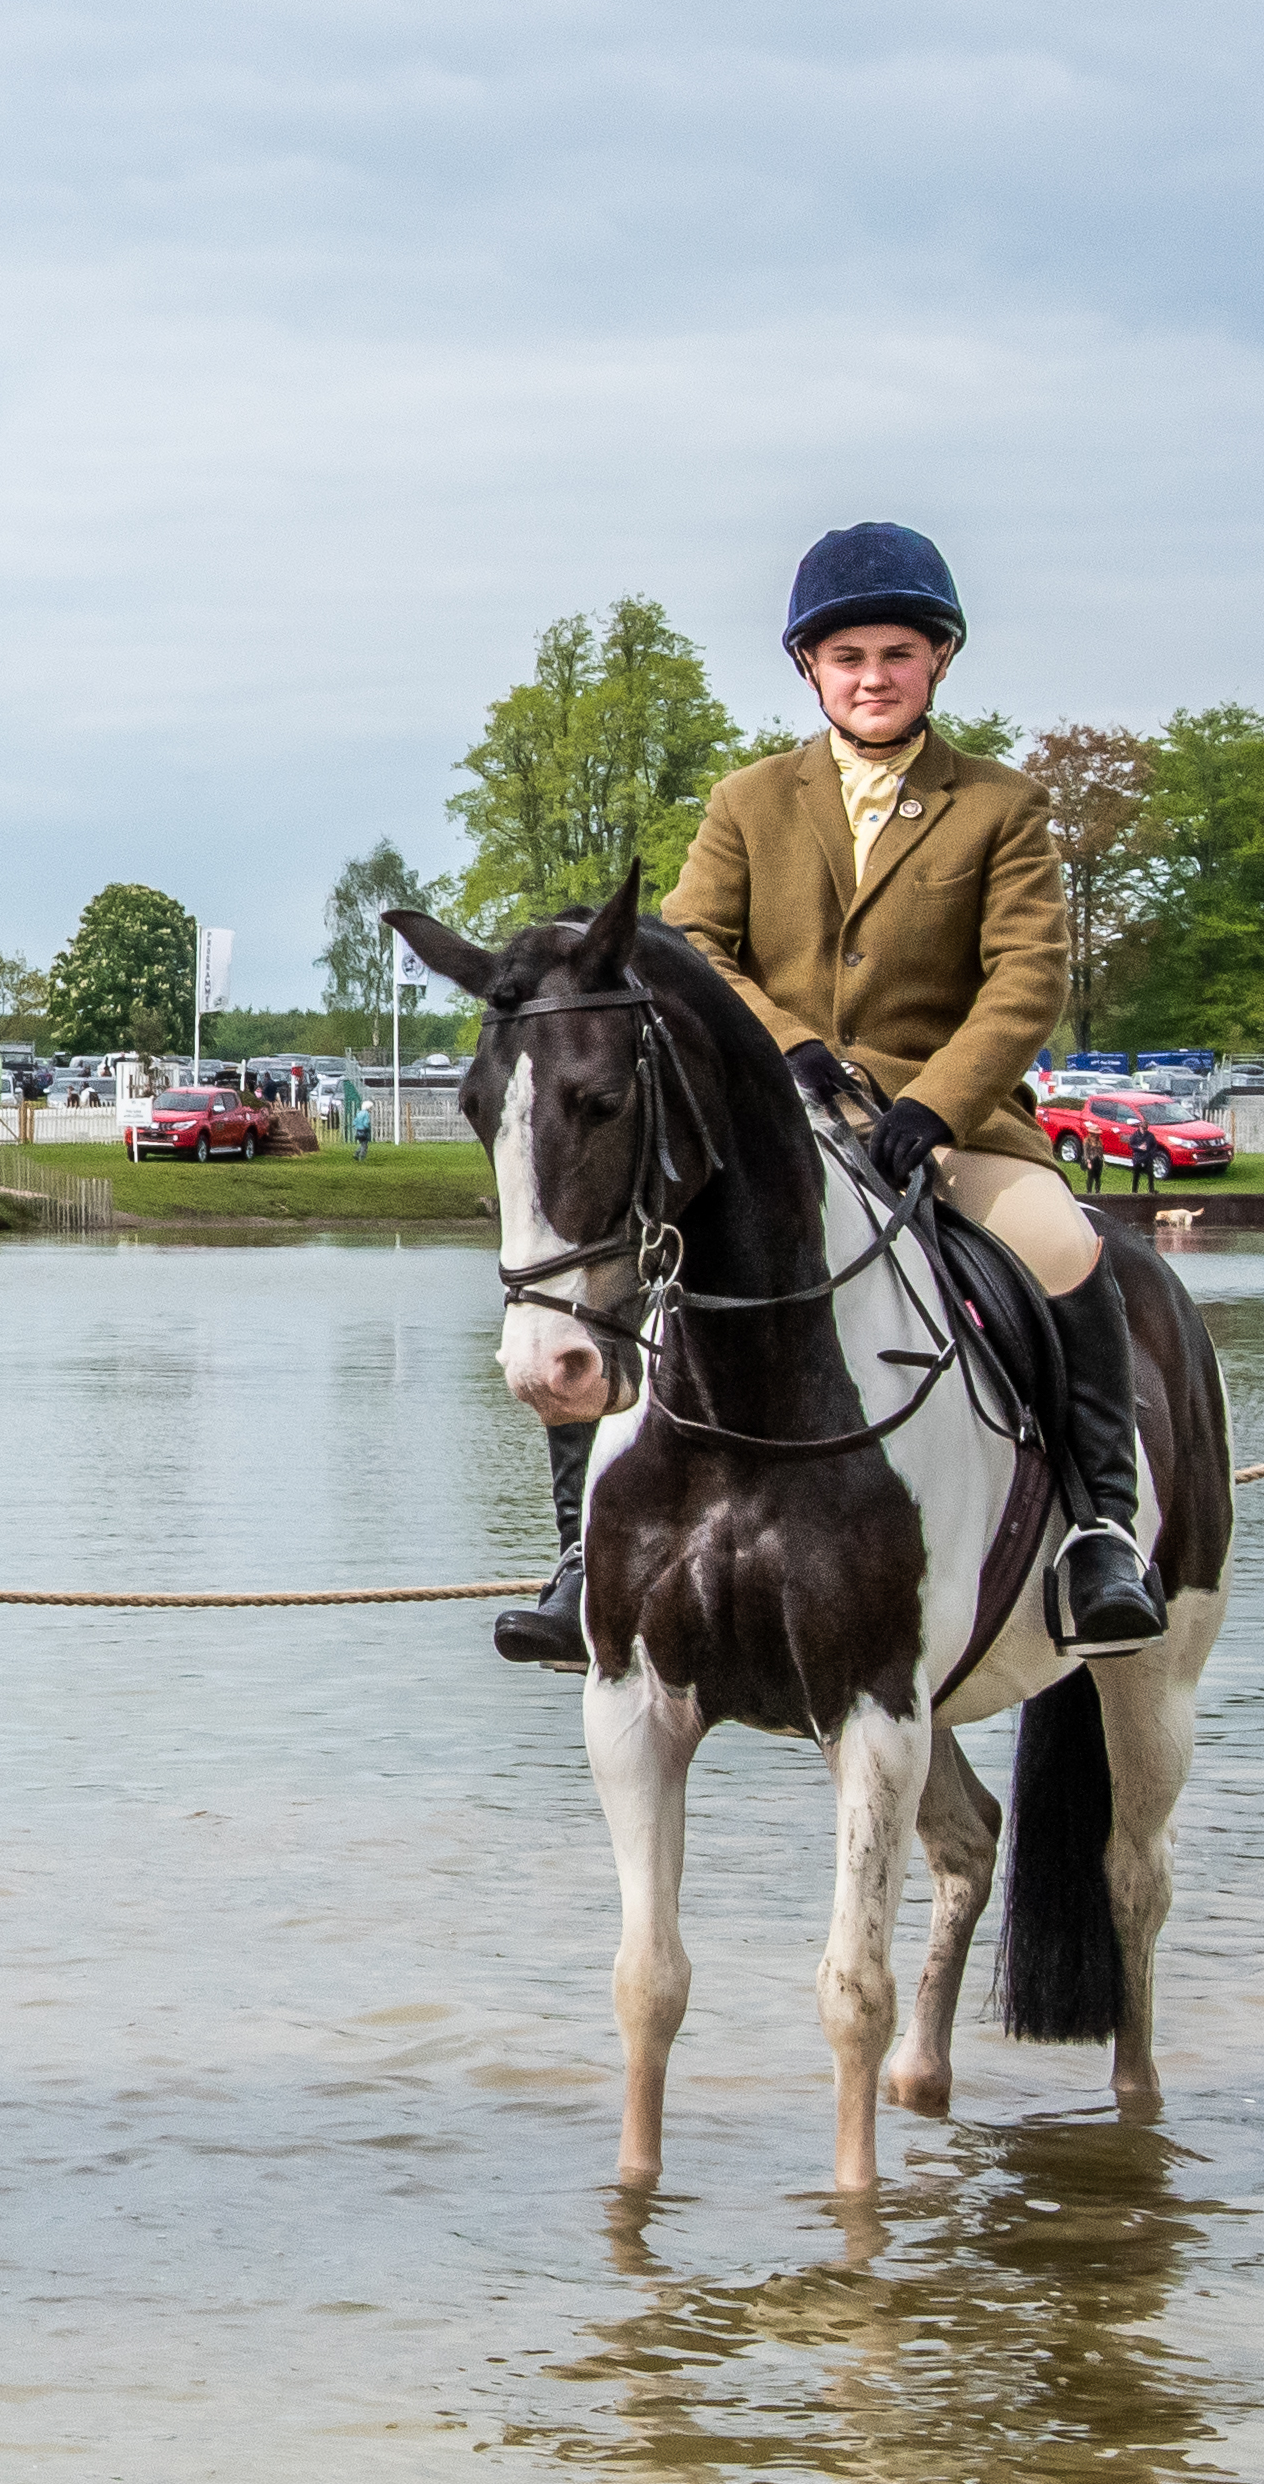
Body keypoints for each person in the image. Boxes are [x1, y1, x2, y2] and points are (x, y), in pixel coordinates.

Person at [494, 520, 1166, 1668]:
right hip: (779, 1122)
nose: (871, 677)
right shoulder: (749, 799)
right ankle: (577, 1554)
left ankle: (1100, 1528)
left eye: (895, 653)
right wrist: (792, 1050)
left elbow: (1026, 977)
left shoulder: (998, 805)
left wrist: (936, 1103)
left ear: (937, 662)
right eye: (846, 656)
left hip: (943, 1128)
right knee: (617, 1275)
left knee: (1062, 1248)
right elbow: (696, 944)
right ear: (809, 667)